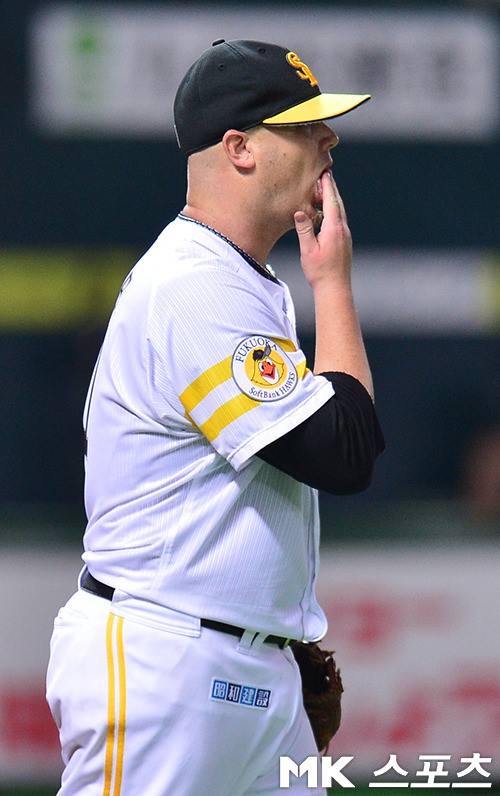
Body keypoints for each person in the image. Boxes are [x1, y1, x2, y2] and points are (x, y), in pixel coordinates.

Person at [46, 39, 384, 795]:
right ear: (239, 149)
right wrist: (333, 286)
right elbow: (344, 452)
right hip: (167, 660)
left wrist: (271, 637)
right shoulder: (193, 286)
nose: (328, 140)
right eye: (303, 126)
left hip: (244, 665)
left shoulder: (239, 281)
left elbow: (342, 444)